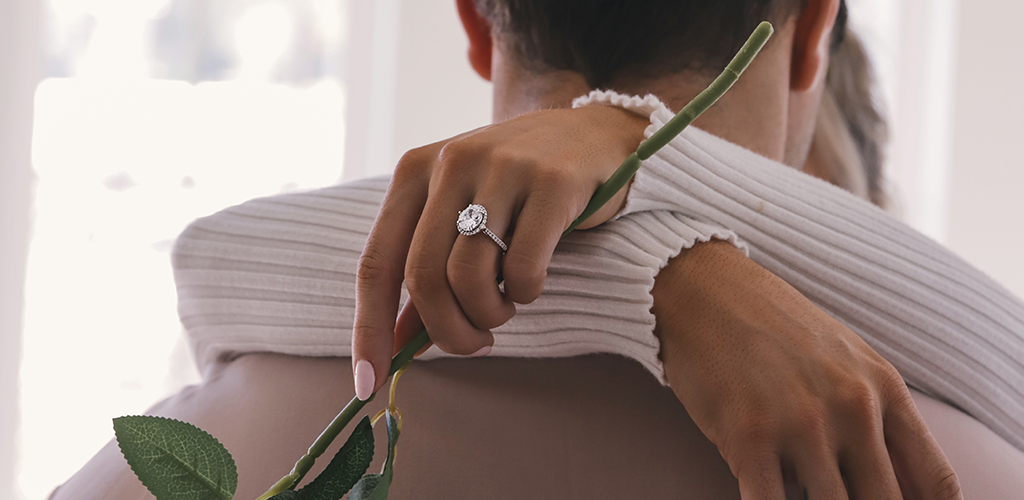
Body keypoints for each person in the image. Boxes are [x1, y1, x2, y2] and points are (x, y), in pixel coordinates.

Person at [52, 1, 1024, 499]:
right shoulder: (948, 458)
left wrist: (638, 183)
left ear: (475, 22)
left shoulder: (209, 446)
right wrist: (664, 262)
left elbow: (206, 263)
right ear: (815, 31)